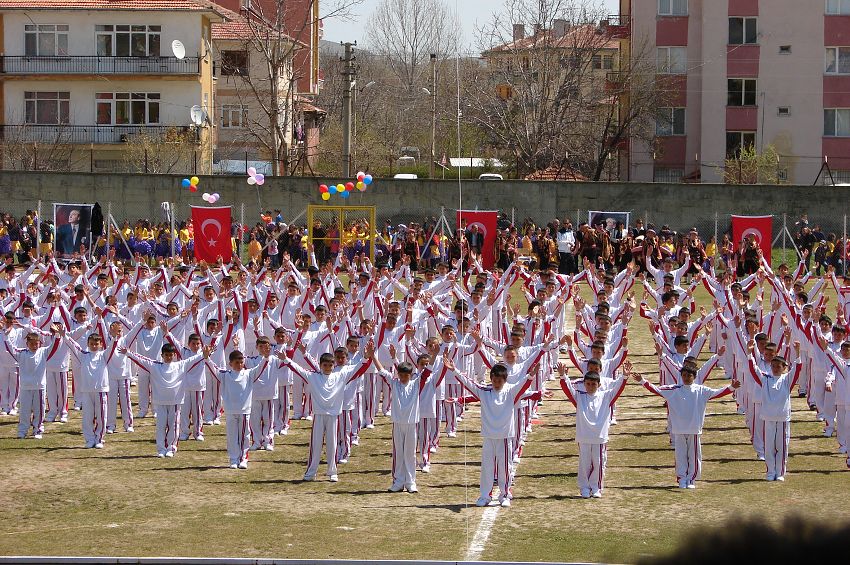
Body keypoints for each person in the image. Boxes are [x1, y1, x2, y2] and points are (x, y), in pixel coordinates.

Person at [443, 354, 534, 508]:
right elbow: (469, 383)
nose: (497, 383)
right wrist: (454, 371)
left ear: (505, 380)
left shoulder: (511, 391)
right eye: (494, 380)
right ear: (491, 378)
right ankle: (485, 496)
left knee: (505, 467)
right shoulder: (484, 391)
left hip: (505, 437)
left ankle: (504, 495)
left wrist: (531, 375)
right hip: (488, 436)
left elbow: (523, 385)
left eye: (500, 380)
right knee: (487, 468)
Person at [632, 361, 739, 488]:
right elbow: (656, 390)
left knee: (694, 456)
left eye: (689, 375)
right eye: (684, 375)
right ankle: (682, 479)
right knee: (680, 456)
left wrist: (731, 388)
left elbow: (718, 393)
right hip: (678, 429)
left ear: (694, 376)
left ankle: (691, 479)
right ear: (681, 376)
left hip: (694, 429)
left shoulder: (701, 390)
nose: (686, 378)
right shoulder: (673, 390)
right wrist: (642, 381)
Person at [281, 343, 373, 482]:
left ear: (333, 365)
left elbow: (359, 368)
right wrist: (286, 359)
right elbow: (298, 369)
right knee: (316, 445)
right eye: (325, 365)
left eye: (330, 365)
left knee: (332, 445)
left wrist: (366, 357)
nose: (328, 368)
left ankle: (332, 472)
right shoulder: (313, 376)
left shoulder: (340, 376)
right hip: (318, 416)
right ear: (321, 365)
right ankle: (311, 473)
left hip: (334, 416)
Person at [556, 363, 628, 498]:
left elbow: (618, 389)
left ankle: (596, 487)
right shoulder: (579, 397)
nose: (590, 387)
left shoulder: (606, 396)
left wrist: (624, 376)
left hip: (600, 436)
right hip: (583, 436)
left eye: (593, 384)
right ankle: (584, 487)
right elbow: (567, 389)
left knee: (599, 462)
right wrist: (562, 376)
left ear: (599, 385)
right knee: (584, 463)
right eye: (588, 384)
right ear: (584, 384)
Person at [203, 347, 270, 469]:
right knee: (232, 436)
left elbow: (260, 368)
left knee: (244, 435)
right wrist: (207, 357)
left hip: (244, 411)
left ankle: (243, 458)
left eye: (241, 362)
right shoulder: (225, 375)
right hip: (230, 411)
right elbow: (213, 368)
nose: (239, 365)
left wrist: (265, 357)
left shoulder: (249, 374)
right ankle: (233, 459)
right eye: (237, 363)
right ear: (230, 363)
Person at [747, 342, 802, 481]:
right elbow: (753, 370)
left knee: (782, 447)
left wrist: (797, 352)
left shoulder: (787, 379)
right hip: (768, 418)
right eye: (773, 366)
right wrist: (749, 353)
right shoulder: (765, 378)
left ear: (784, 368)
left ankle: (780, 472)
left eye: (779, 366)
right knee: (769, 447)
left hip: (783, 418)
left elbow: (798, 369)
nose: (776, 368)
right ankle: (770, 472)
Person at [4, 326, 61, 439]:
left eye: (36, 344)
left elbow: (54, 347)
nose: (34, 346)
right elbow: (10, 349)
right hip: (25, 387)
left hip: (39, 387)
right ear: (27, 344)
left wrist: (57, 335)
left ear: (40, 343)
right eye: (32, 344)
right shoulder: (22, 354)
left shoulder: (43, 352)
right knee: (24, 410)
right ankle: (22, 430)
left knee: (39, 410)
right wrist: (5, 336)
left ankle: (38, 430)